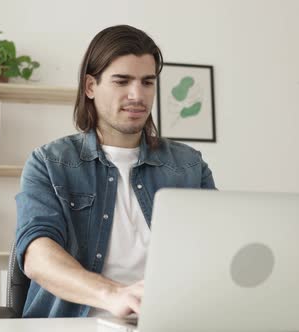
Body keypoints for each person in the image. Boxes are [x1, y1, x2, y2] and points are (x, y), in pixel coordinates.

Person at [14, 24, 216, 318]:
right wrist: (113, 294)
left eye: (148, 82)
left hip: (169, 320)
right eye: (122, 81)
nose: (138, 95)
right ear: (90, 87)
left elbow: (216, 249)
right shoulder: (49, 163)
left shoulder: (189, 165)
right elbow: (36, 255)